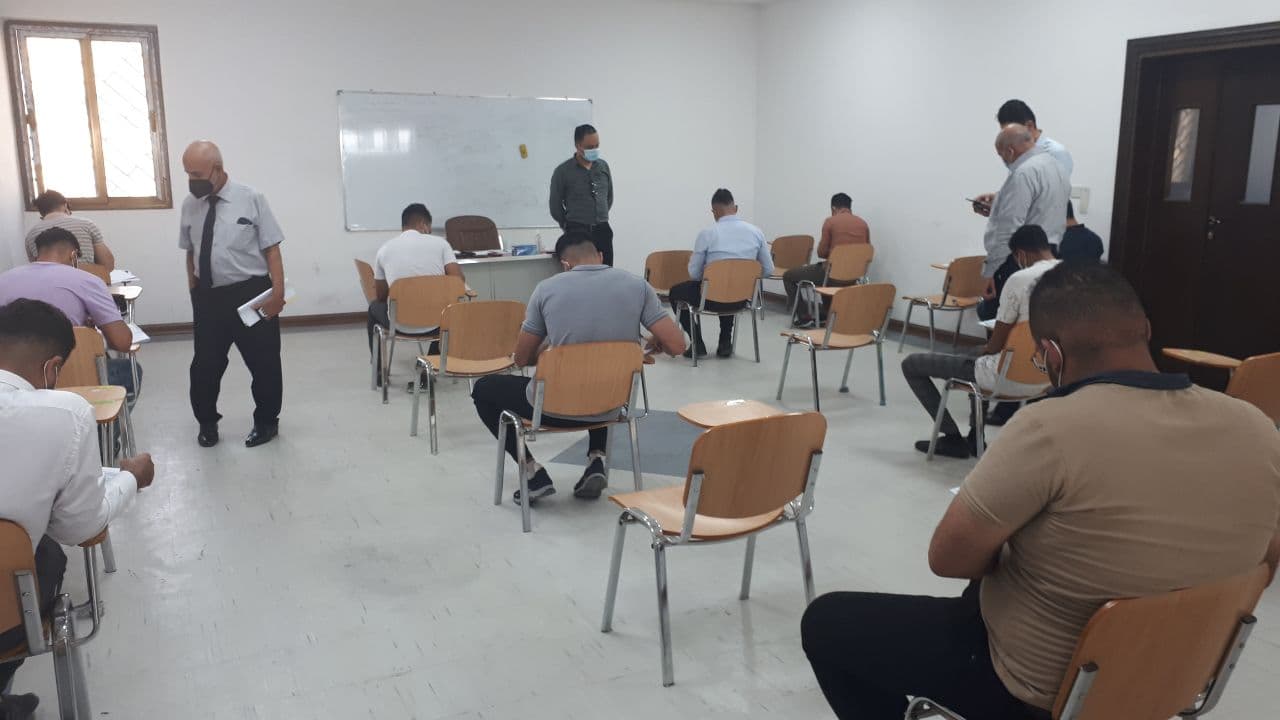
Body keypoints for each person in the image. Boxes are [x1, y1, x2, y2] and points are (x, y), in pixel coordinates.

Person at [803, 263, 1280, 720]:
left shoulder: (1049, 428)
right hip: (1178, 672)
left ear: (1051, 355)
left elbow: (949, 559)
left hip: (1044, 689)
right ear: (1146, 330)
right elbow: (1266, 561)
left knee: (826, 623)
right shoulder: (1257, 428)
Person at [0, 299, 156, 719]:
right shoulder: (64, 413)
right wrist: (131, 477)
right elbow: (79, 527)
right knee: (45, 554)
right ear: (52, 369)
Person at [471, 232, 685, 504]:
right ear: (601, 257)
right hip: (611, 405)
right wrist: (656, 340)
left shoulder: (546, 290)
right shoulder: (638, 286)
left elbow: (522, 359)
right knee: (601, 374)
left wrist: (548, 348)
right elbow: (677, 346)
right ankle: (597, 458)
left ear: (565, 264)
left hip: (552, 408)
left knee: (484, 388)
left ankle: (532, 471)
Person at [902, 225, 1058, 458]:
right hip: (1046, 377)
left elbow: (995, 344)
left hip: (1005, 377)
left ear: (1021, 254)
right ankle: (976, 437)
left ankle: (952, 438)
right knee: (975, 354)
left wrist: (988, 348)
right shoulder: (1072, 274)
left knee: (912, 364)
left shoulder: (1020, 279)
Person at [179, 140, 287, 449]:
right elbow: (190, 251)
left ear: (217, 169)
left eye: (196, 174)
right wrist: (194, 290)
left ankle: (266, 422)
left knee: (264, 362)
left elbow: (272, 249)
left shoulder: (251, 198)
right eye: (187, 173)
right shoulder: (190, 205)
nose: (191, 180)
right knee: (205, 366)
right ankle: (207, 422)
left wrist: (277, 294)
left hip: (251, 292)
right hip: (209, 297)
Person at [0, 228, 141, 403]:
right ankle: (103, 420)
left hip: (10, 388)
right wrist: (88, 333)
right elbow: (122, 342)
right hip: (75, 384)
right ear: (74, 255)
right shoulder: (87, 281)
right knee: (130, 371)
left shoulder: (3, 279)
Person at [973, 124, 1069, 321]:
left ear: (1010, 151)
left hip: (1018, 257)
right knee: (1032, 319)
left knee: (997, 317)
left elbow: (1008, 228)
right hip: (1049, 253)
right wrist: (999, 202)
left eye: (1001, 155)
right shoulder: (1057, 167)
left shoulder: (1023, 173)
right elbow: (1040, 208)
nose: (1003, 160)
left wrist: (990, 271)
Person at [667, 189, 773, 358]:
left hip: (710, 300)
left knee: (675, 292)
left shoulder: (707, 234)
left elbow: (694, 274)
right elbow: (768, 270)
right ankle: (725, 342)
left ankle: (697, 343)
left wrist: (712, 274)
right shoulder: (756, 232)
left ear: (714, 211)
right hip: (741, 300)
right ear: (735, 208)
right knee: (731, 287)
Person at [367, 203, 463, 382]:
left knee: (373, 307)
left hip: (398, 323)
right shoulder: (441, 244)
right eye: (429, 228)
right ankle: (429, 368)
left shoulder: (384, 249)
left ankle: (379, 372)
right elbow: (458, 282)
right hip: (437, 323)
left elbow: (380, 296)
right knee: (449, 312)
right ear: (423, 225)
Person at [783, 192, 871, 326]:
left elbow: (821, 252)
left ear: (833, 208)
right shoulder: (863, 224)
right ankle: (827, 313)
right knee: (825, 272)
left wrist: (835, 253)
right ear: (849, 207)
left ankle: (804, 317)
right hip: (854, 277)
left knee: (789, 276)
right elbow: (867, 251)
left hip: (831, 275)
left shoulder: (831, 222)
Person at [549, 124, 615, 265]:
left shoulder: (603, 166)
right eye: (590, 147)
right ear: (578, 146)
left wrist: (599, 214)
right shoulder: (563, 171)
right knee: (580, 273)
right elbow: (555, 207)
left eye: (597, 146)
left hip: (602, 230)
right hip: (577, 232)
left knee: (606, 272)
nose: (594, 150)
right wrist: (568, 225)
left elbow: (608, 197)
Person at [23, 190, 115, 270]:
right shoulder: (86, 225)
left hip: (50, 282)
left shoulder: (31, 235)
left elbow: (36, 269)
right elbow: (108, 264)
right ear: (65, 205)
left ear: (41, 212)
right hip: (86, 280)